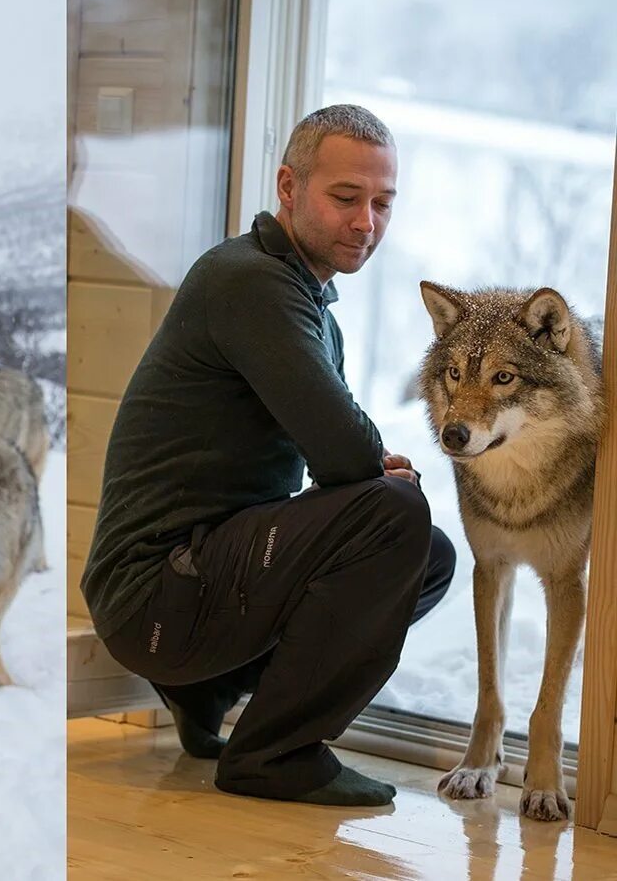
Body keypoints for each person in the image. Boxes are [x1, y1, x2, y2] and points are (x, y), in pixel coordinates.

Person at [82, 104, 454, 808]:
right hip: (154, 592)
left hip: (187, 588)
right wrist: (375, 471)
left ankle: (207, 691)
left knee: (424, 554)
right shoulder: (250, 280)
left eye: (382, 203)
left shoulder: (307, 303)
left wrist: (370, 471)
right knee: (396, 515)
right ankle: (274, 755)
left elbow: (333, 464)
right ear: (288, 188)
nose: (366, 222)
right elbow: (346, 454)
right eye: (345, 197)